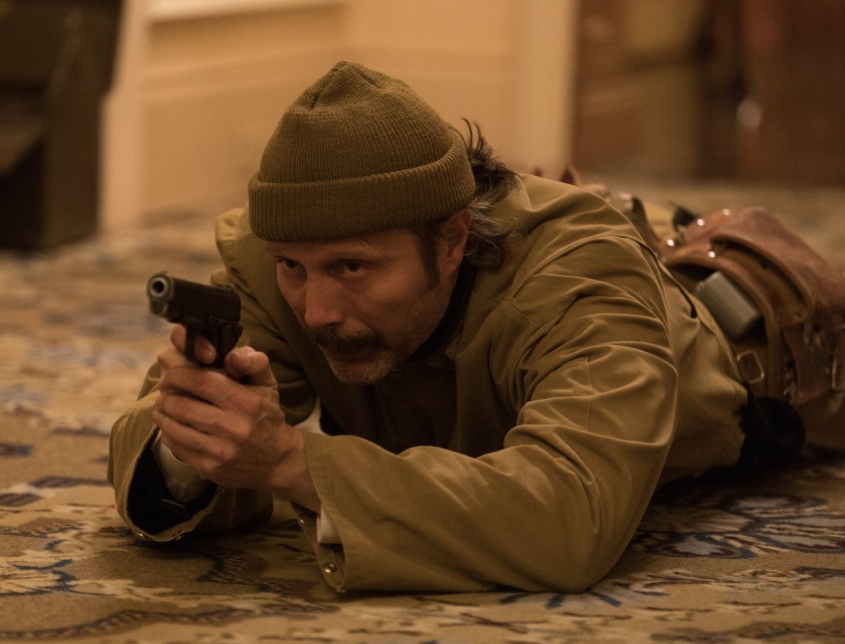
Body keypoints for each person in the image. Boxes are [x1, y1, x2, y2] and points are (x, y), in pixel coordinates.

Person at [108, 61, 844, 593]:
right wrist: (193, 439)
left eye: (353, 268)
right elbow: (150, 435)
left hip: (763, 357)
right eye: (294, 268)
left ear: (453, 239)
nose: (316, 310)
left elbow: (570, 518)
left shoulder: (580, 276)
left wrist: (294, 464)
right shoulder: (276, 262)